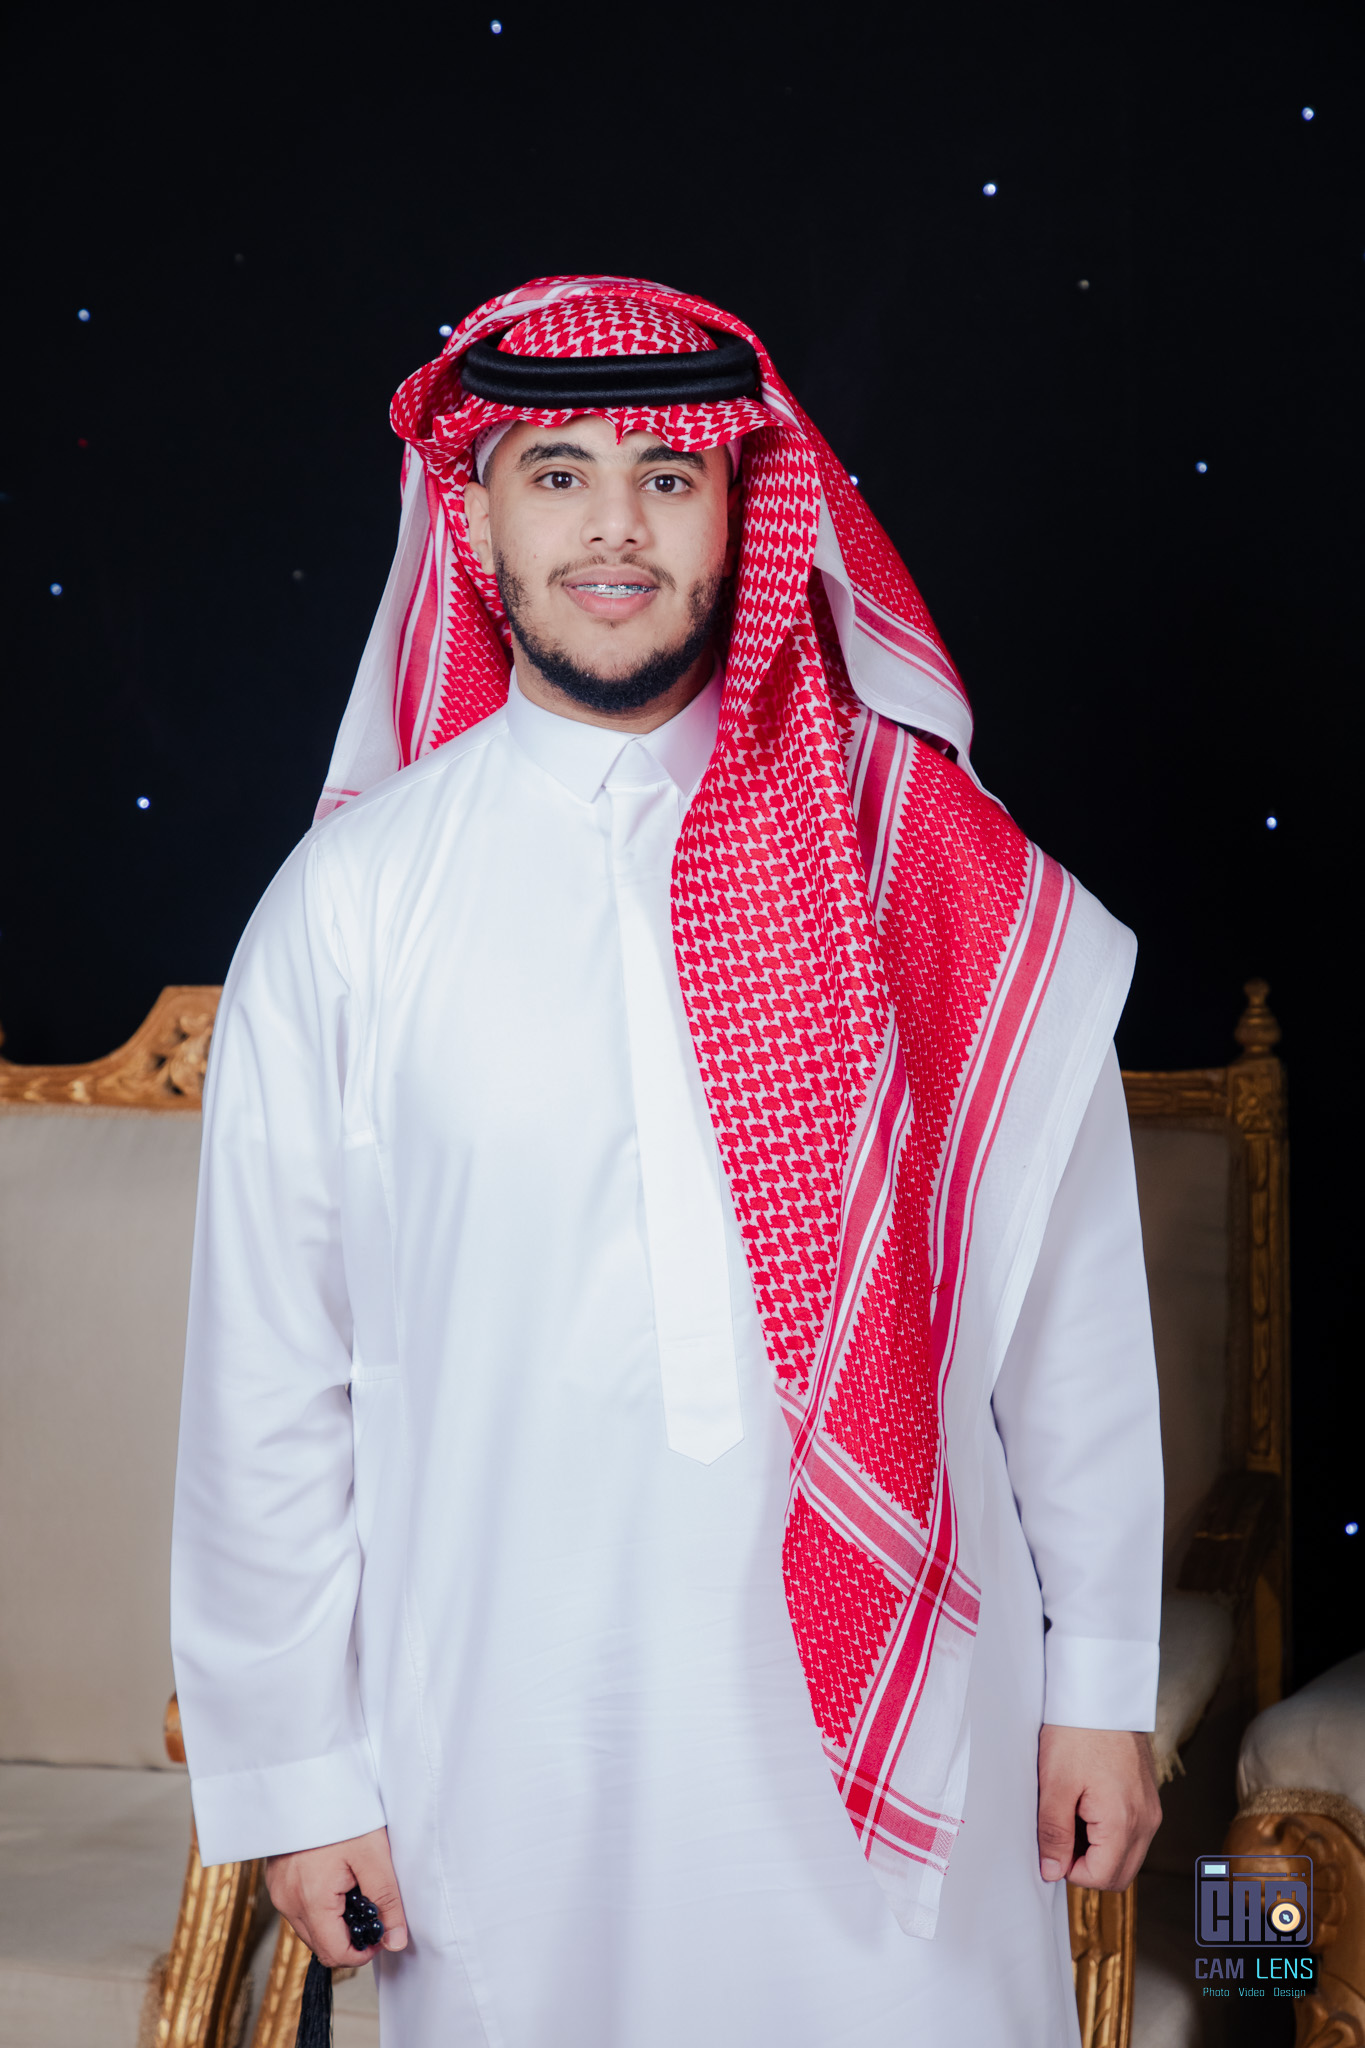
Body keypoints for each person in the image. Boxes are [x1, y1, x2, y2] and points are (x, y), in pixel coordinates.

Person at [171, 276, 1163, 2048]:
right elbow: (268, 1380)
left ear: (743, 514)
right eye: (557, 474)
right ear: (475, 519)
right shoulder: (351, 904)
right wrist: (297, 1775)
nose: (613, 527)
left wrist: (1097, 1679)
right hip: (499, 1745)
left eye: (669, 475)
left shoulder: (923, 865)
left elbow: (1068, 1313)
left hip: (912, 1730)